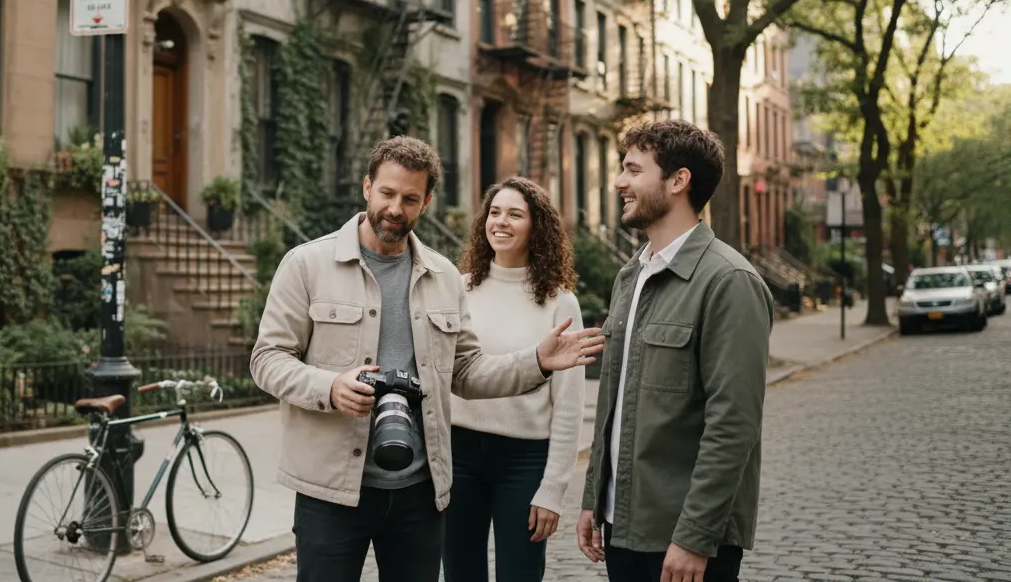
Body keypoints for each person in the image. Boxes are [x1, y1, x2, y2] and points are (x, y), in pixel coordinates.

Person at [250, 136, 605, 582]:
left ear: (427, 202)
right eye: (387, 193)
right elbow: (267, 359)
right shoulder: (306, 265)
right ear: (367, 188)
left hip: (420, 494)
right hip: (332, 492)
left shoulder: (443, 279)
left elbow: (468, 371)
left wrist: (536, 360)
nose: (396, 208)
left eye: (410, 198)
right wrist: (331, 387)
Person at [575, 119, 773, 582]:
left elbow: (734, 423)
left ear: (678, 180)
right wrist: (594, 498)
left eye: (632, 170)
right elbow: (615, 401)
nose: (619, 182)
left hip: (684, 539)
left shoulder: (729, 282)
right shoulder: (631, 276)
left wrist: (694, 536)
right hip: (623, 526)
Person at [442, 177, 587, 582]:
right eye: (494, 212)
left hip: (525, 461)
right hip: (459, 453)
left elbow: (570, 407)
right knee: (459, 572)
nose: (500, 222)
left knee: (520, 574)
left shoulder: (560, 301)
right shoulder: (459, 288)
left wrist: (553, 489)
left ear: (535, 227)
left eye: (515, 214)